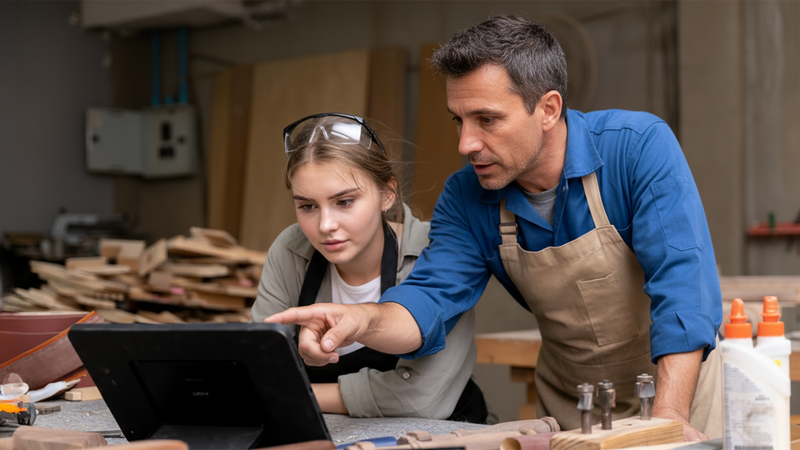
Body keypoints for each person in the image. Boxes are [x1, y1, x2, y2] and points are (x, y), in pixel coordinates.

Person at [266, 16, 723, 440]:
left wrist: (669, 418)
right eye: (458, 121)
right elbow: (428, 301)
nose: (466, 143)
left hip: (680, 391)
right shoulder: (467, 197)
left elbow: (683, 289)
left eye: (487, 119)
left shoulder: (636, 150)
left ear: (547, 109)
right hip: (575, 402)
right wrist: (362, 319)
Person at [251, 112, 490, 424]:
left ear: (387, 194)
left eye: (345, 201)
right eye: (307, 206)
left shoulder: (437, 253)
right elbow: (258, 372)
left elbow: (421, 399)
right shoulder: (290, 251)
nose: (325, 225)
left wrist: (299, 392)